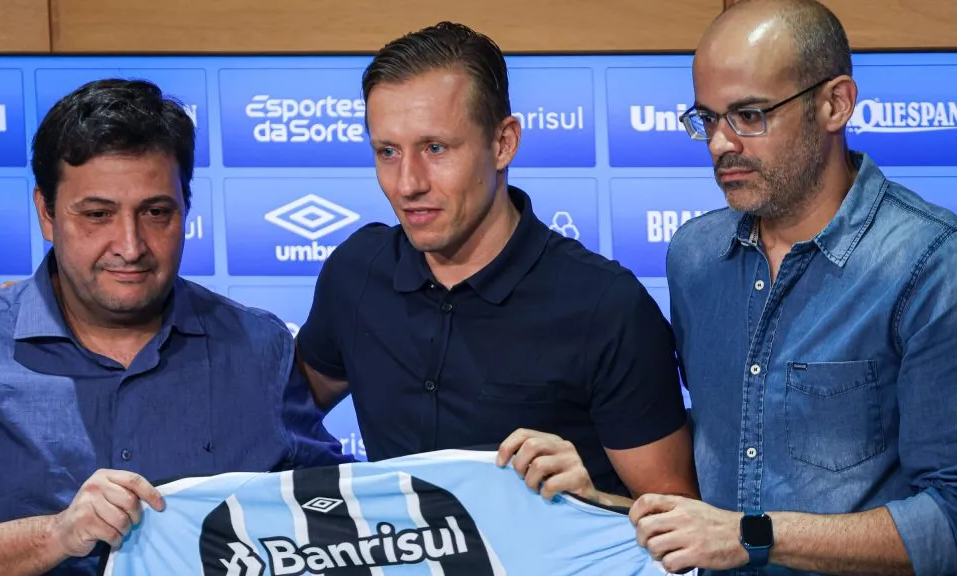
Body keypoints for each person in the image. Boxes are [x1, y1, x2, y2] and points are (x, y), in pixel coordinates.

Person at [0, 79, 355, 576]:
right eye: (97, 215)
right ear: (46, 214)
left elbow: (330, 513)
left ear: (186, 210)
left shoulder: (259, 346)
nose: (130, 245)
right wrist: (58, 535)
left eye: (156, 213)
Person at [295, 22, 699, 501]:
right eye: (387, 152)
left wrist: (592, 500)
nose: (407, 184)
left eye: (435, 148)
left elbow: (677, 524)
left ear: (503, 142)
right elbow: (286, 416)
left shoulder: (606, 307)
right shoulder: (356, 273)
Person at [630, 1, 957, 575]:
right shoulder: (694, 257)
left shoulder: (930, 264)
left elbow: (949, 522)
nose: (719, 144)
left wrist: (753, 537)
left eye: (749, 115)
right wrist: (593, 482)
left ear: (835, 104)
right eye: (707, 119)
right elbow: (714, 450)